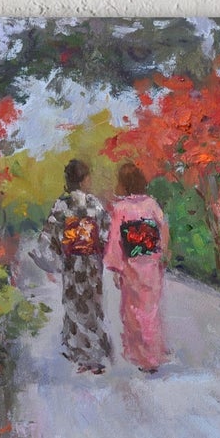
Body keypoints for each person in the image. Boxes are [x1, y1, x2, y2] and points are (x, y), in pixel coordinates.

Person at [35, 158, 111, 374]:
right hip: (92, 263)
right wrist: (100, 248)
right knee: (93, 305)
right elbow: (106, 230)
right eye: (88, 177)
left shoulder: (62, 204)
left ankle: (79, 351)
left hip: (71, 263)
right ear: (84, 180)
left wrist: (56, 256)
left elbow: (50, 233)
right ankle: (95, 353)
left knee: (74, 306)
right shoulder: (94, 203)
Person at [105, 162, 170, 373]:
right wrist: (163, 253)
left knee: (132, 311)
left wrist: (115, 268)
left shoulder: (121, 208)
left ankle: (141, 355)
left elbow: (115, 240)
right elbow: (163, 229)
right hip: (151, 263)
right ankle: (153, 352)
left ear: (123, 184)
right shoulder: (152, 204)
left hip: (131, 265)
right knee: (150, 309)